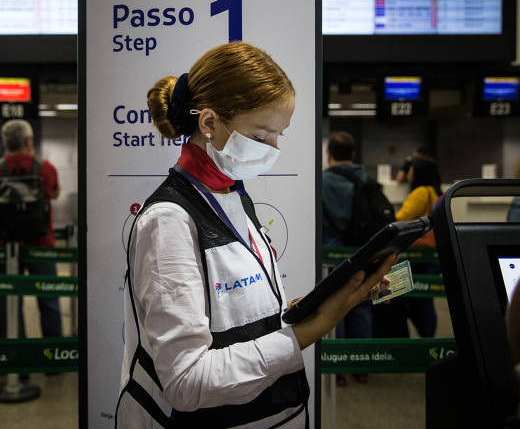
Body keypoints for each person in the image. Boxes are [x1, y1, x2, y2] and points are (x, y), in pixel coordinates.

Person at [116, 42, 396, 428]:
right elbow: (186, 381)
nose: (274, 149)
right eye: (263, 135)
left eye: (279, 134)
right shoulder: (169, 221)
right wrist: (312, 328)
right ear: (209, 123)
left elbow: (242, 318)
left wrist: (333, 298)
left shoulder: (233, 195)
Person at [0, 120, 62, 341]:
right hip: (42, 246)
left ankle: (18, 357)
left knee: (11, 302)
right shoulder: (45, 168)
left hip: (7, 247)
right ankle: (52, 357)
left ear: (6, 142)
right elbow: (54, 194)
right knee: (49, 298)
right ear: (28, 141)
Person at [322, 131, 372, 386]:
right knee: (362, 306)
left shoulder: (322, 182)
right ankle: (362, 365)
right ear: (353, 154)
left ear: (329, 153)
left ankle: (339, 367)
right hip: (363, 251)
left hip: (333, 252)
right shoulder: (365, 179)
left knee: (336, 306)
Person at [376, 157, 442, 338]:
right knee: (425, 297)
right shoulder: (436, 191)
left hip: (417, 253)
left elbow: (403, 217)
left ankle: (421, 338)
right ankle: (428, 336)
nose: (409, 172)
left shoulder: (420, 192)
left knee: (417, 299)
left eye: (411, 169)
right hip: (431, 252)